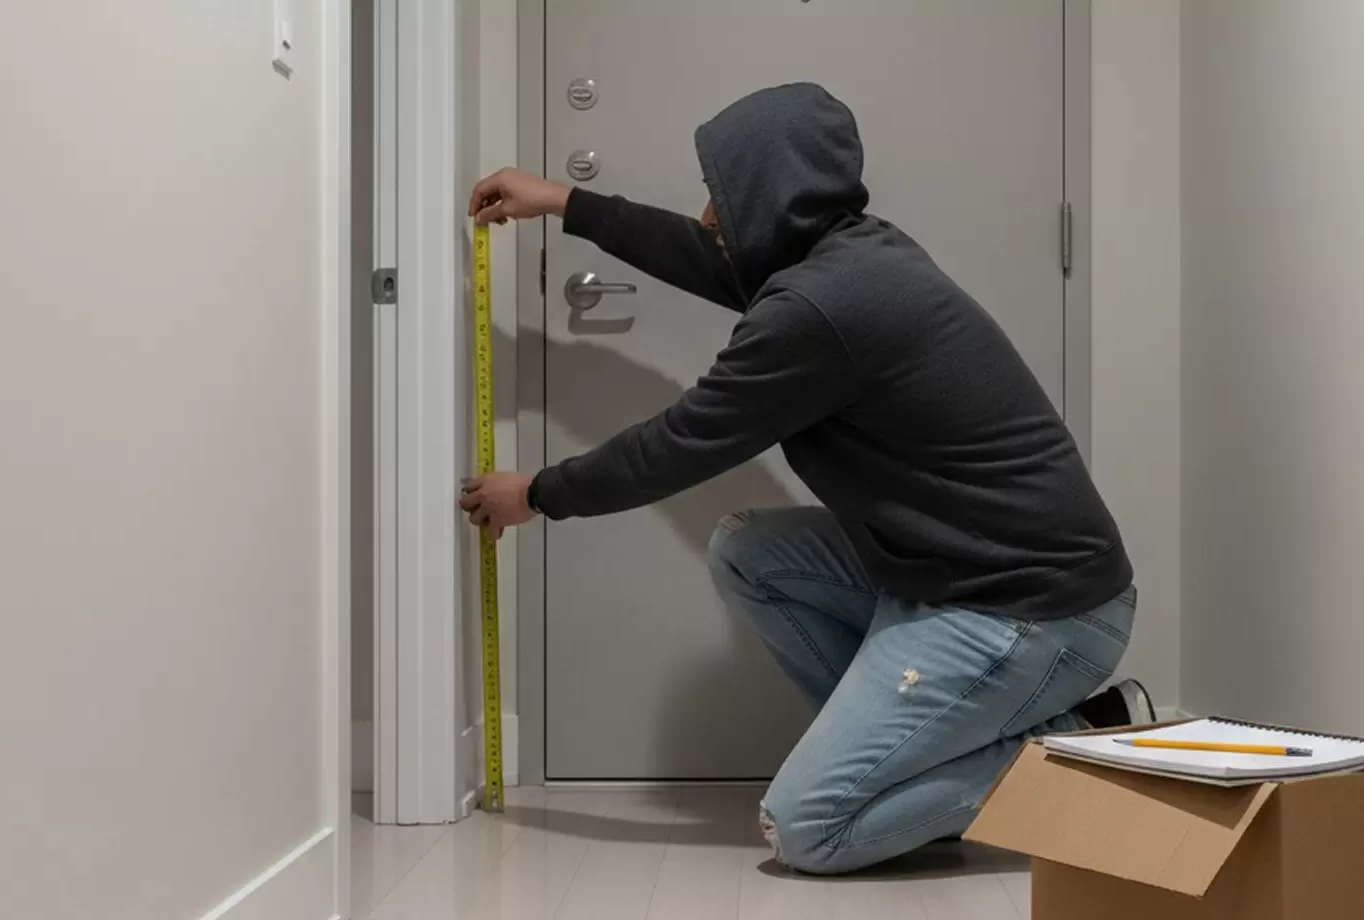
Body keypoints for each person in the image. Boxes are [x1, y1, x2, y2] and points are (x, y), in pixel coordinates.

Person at [461, 83, 1150, 874]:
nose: (712, 215)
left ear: (772, 194)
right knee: (749, 549)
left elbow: (682, 442)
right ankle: (912, 773)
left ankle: (1077, 748)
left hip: (1035, 612)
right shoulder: (850, 250)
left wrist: (540, 494)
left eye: (723, 194)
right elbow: (706, 255)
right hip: (969, 573)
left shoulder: (820, 308)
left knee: (805, 830)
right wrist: (561, 202)